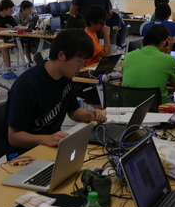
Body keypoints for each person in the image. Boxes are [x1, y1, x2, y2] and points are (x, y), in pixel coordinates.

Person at [6, 29, 107, 159]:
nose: (81, 67)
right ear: (61, 55)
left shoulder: (65, 76)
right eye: (79, 61)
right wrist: (45, 139)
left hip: (51, 146)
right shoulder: (27, 86)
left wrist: (91, 116)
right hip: (24, 154)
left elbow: (73, 111)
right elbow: (14, 137)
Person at [122, 24, 175, 108]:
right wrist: (168, 54)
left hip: (129, 109)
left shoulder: (128, 56)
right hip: (156, 110)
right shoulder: (168, 59)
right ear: (165, 42)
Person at [13, 0, 36, 65]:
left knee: (34, 41)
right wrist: (25, 27)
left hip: (27, 35)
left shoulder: (29, 16)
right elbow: (15, 27)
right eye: (29, 9)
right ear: (23, 9)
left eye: (31, 9)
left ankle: (35, 61)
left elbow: (32, 26)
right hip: (17, 36)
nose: (31, 11)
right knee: (28, 42)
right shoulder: (15, 16)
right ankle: (30, 62)